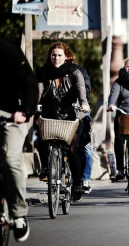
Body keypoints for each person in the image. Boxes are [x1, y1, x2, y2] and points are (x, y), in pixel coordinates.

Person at [36, 42, 90, 202]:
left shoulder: (74, 71)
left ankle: (78, 182)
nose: (56, 58)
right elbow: (38, 90)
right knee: (42, 140)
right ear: (49, 56)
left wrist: (84, 103)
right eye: (53, 55)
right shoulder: (43, 72)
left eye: (59, 55)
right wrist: (32, 105)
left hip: (73, 114)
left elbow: (81, 88)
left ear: (66, 56)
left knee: (72, 148)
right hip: (51, 113)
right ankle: (47, 169)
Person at [0, 38, 38, 242]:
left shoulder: (9, 51)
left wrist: (24, 111)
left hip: (12, 115)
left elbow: (30, 85)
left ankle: (19, 213)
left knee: (9, 157)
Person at [76, 66, 93, 194]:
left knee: (86, 146)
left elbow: (84, 89)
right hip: (62, 113)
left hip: (81, 110)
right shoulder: (52, 73)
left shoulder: (79, 71)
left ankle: (85, 178)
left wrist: (83, 103)